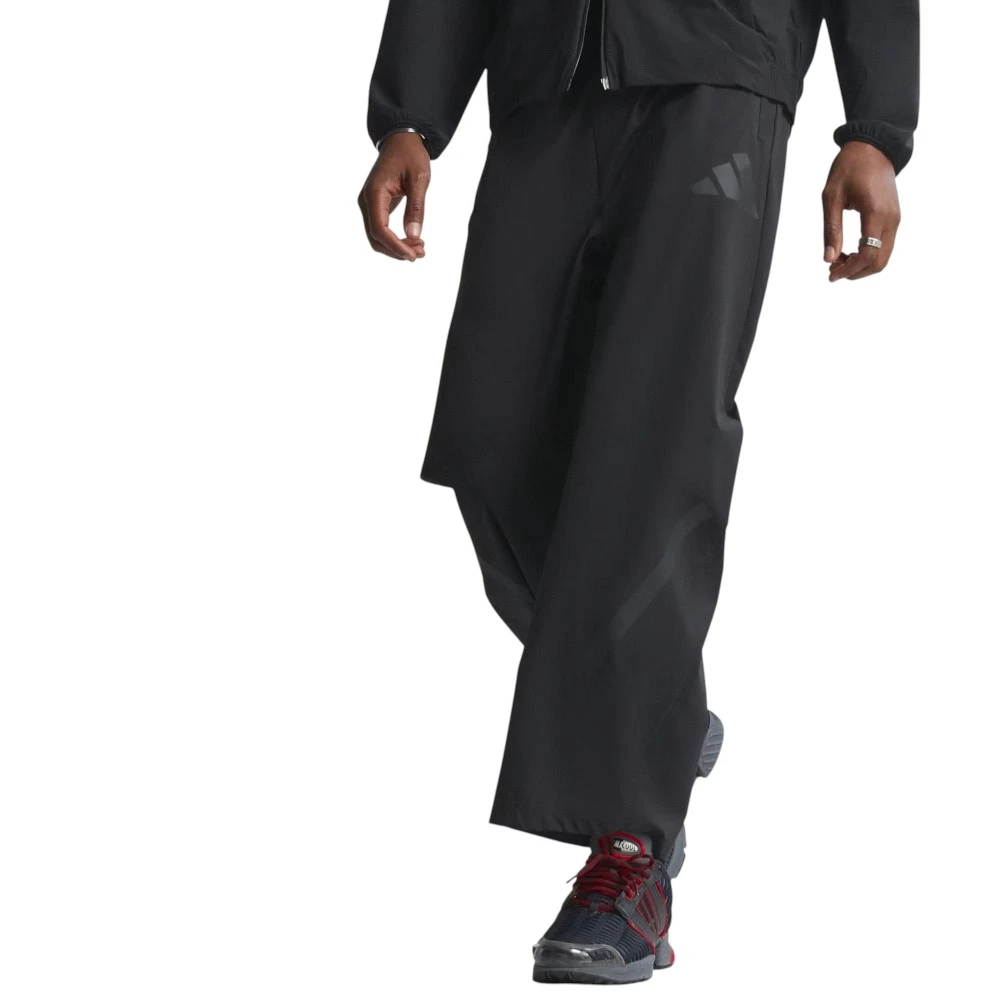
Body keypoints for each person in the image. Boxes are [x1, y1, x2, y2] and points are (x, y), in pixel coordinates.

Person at [358, 0, 918, 985]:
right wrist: (412, 113)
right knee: (489, 435)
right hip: (544, 78)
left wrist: (874, 127)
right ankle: (653, 703)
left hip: (715, 76)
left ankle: (631, 856)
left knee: (651, 446)